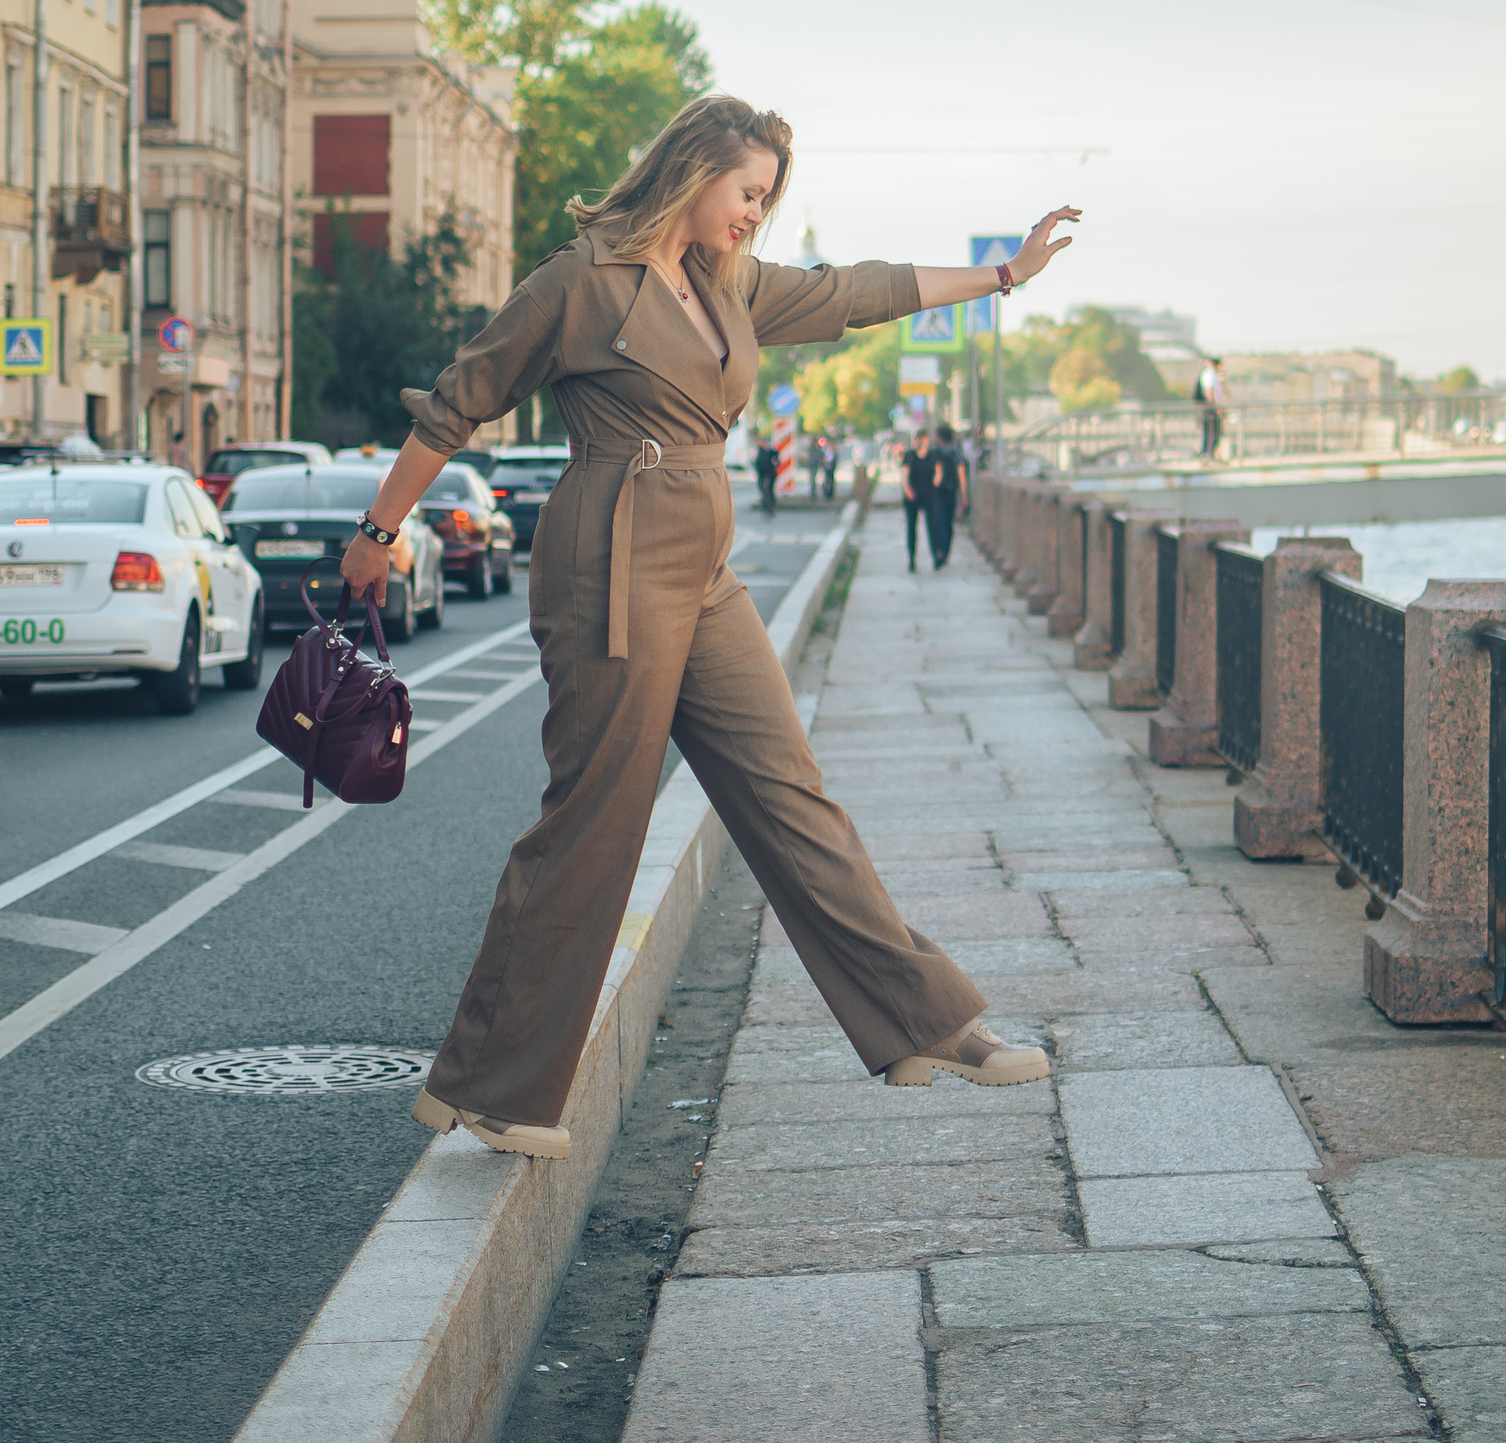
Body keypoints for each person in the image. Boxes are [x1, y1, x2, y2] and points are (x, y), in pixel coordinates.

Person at [340, 93, 1081, 1158]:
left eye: (766, 198)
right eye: (746, 191)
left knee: (790, 792)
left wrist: (1004, 273)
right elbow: (459, 402)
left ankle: (923, 1021)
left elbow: (856, 291)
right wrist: (379, 530)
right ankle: (493, 1086)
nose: (754, 214)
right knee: (596, 816)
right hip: (610, 559)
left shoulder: (728, 284)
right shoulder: (579, 281)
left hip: (703, 566)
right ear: (693, 169)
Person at [922, 420, 967, 569]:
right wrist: (964, 495)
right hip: (951, 492)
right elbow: (962, 475)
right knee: (948, 522)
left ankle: (938, 551)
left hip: (935, 493)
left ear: (939, 438)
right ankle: (945, 551)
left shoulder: (934, 453)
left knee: (936, 522)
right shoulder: (956, 453)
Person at [898, 431, 930, 571]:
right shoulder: (910, 456)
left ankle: (936, 554)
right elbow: (904, 474)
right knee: (912, 527)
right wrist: (907, 490)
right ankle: (911, 557)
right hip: (912, 496)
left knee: (932, 525)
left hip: (927, 495)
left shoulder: (931, 455)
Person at [1195, 356, 1227, 459]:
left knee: (1213, 432)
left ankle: (1210, 454)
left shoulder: (1213, 374)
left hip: (1210, 408)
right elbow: (1210, 392)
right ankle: (1207, 455)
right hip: (1210, 409)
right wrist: (1216, 407)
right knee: (1211, 432)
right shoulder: (1210, 374)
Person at [752, 435, 781, 513]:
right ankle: (768, 505)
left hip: (768, 473)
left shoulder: (765, 451)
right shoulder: (762, 451)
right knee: (765, 489)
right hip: (764, 473)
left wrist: (777, 463)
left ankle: (769, 505)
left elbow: (776, 454)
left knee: (768, 490)